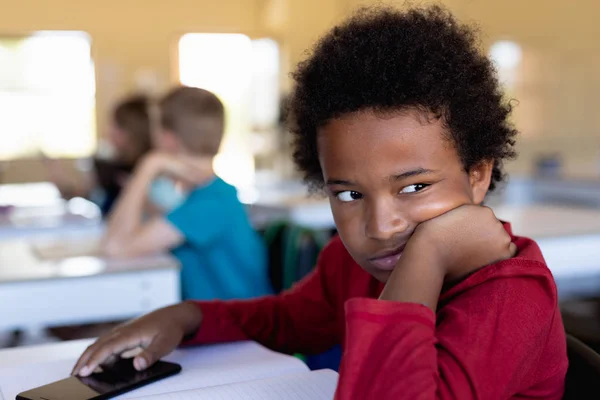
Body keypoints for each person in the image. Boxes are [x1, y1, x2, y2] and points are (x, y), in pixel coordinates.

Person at [73, 6, 567, 398]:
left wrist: (431, 252)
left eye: (414, 187)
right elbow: (287, 321)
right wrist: (185, 316)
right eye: (349, 194)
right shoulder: (353, 262)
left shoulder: (510, 295)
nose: (380, 223)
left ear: (477, 176)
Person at [101, 86, 272, 301]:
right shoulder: (205, 195)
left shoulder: (211, 203)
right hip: (213, 321)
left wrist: (148, 166)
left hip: (233, 329)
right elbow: (116, 236)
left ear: (168, 139)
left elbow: (114, 247)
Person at [46, 94, 152, 215]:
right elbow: (86, 196)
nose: (109, 131)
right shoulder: (109, 167)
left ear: (133, 131)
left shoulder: (145, 169)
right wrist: (58, 176)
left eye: (116, 125)